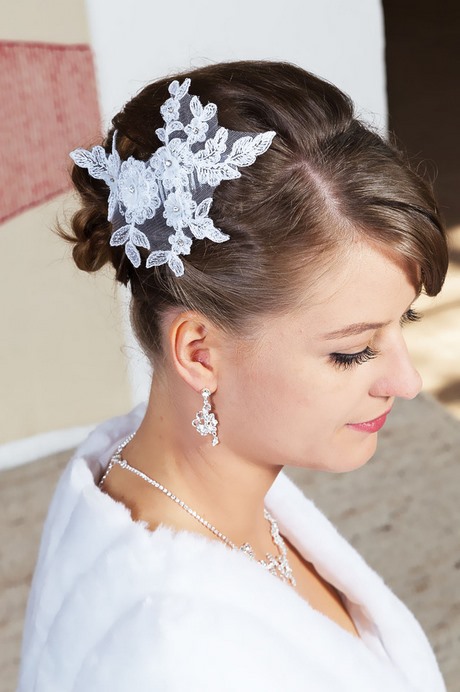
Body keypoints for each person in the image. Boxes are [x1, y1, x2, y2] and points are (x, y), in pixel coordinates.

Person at [19, 61, 448, 691]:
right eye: (352, 351)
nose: (407, 383)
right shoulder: (177, 660)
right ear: (199, 352)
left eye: (402, 321)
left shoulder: (179, 480)